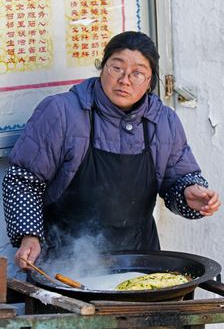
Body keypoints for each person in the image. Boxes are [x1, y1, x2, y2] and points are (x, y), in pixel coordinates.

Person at [2, 31, 221, 271]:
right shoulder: (62, 113)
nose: (125, 80)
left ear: (150, 82)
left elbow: (179, 179)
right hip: (66, 265)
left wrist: (189, 193)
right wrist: (29, 235)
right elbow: (23, 179)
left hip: (140, 264)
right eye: (116, 68)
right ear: (102, 67)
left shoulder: (163, 122)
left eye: (137, 73)